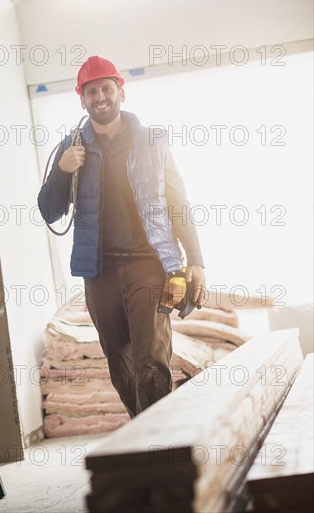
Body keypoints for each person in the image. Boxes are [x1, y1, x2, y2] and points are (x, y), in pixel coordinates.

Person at [38, 55, 206, 418]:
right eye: (92, 91)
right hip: (98, 272)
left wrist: (196, 260)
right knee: (120, 364)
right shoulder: (71, 149)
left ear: (121, 93)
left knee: (150, 359)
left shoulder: (152, 142)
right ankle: (143, 437)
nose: (100, 96)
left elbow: (178, 202)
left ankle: (164, 446)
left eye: (107, 89)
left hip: (149, 264)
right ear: (82, 98)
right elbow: (49, 211)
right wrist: (63, 172)